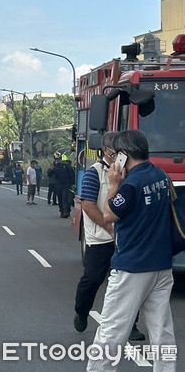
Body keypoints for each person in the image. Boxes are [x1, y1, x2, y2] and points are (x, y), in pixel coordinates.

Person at [87, 130, 175, 371]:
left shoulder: (131, 185)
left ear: (125, 156)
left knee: (111, 330)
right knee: (161, 330)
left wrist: (115, 184)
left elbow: (108, 214)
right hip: (161, 265)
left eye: (116, 155)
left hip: (132, 267)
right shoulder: (160, 174)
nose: (114, 160)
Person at [73, 131, 144, 341]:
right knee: (92, 279)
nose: (121, 155)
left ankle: (130, 324)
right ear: (106, 150)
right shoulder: (94, 173)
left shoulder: (130, 171)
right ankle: (82, 311)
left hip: (126, 239)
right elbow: (87, 204)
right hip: (101, 238)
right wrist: (109, 227)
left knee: (129, 282)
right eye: (116, 150)